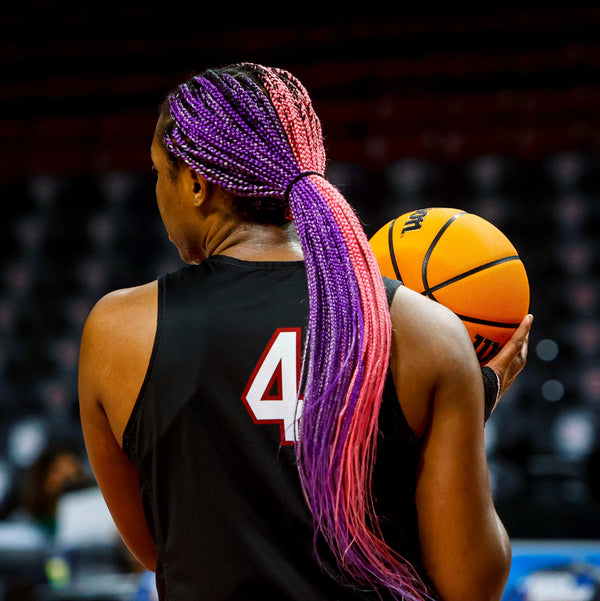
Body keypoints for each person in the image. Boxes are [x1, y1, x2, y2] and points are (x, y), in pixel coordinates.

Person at [78, 63, 532, 601]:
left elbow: (161, 547)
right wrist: (467, 406)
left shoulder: (116, 332)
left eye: (158, 173)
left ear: (196, 185)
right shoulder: (428, 333)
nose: (156, 192)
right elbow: (471, 585)